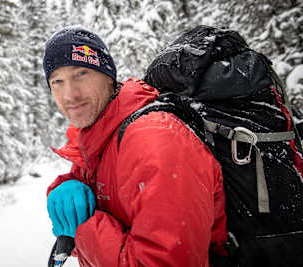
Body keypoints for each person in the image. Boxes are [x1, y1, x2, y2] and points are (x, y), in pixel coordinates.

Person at [43, 26, 228, 267]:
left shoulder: (155, 140)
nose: (70, 94)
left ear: (109, 76)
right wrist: (68, 186)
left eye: (81, 73)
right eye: (57, 81)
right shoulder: (101, 137)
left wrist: (84, 226)